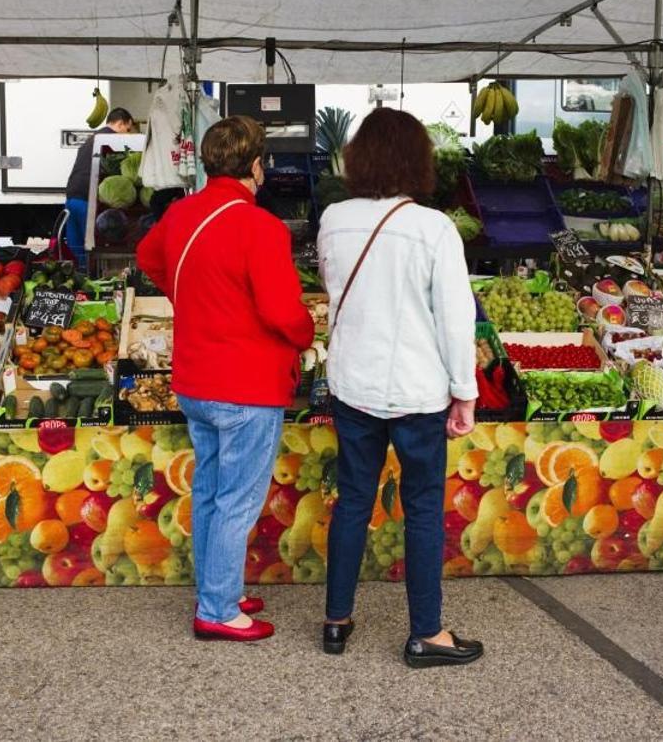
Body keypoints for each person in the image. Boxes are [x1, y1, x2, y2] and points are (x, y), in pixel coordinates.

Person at [136, 115, 314, 642]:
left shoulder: (180, 212)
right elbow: (284, 312)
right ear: (257, 166)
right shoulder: (261, 227)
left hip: (195, 379)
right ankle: (216, 611)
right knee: (237, 500)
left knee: (213, 491)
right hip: (247, 385)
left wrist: (187, 296)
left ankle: (219, 589)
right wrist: (306, 336)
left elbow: (148, 257)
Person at [317, 107, 483, 669]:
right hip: (416, 391)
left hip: (352, 384)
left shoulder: (334, 218)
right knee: (422, 508)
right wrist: (465, 392)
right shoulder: (433, 227)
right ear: (418, 161)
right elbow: (456, 320)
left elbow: (333, 289)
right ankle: (427, 633)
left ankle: (336, 620)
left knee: (353, 501)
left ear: (358, 157)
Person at [64, 107, 136, 260]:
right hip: (86, 198)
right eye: (128, 129)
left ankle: (81, 274)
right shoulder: (111, 140)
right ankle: (91, 277)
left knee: (76, 245)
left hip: (72, 195)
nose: (128, 134)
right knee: (90, 246)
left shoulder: (93, 137)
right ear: (121, 124)